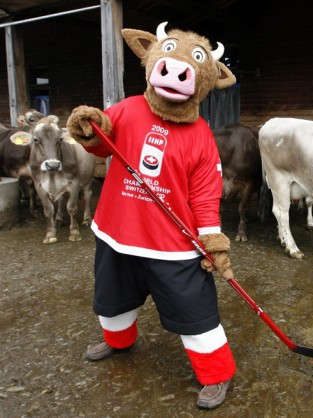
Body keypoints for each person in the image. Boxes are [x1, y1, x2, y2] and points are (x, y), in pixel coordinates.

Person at [67, 21, 237, 409]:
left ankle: (216, 375)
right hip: (116, 232)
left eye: (193, 63)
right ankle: (118, 342)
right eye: (170, 55)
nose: (177, 69)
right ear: (150, 55)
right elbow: (100, 145)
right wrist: (87, 129)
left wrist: (212, 241)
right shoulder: (128, 109)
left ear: (209, 79)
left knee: (197, 316)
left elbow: (207, 194)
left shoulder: (202, 137)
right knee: (113, 302)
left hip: (173, 247)